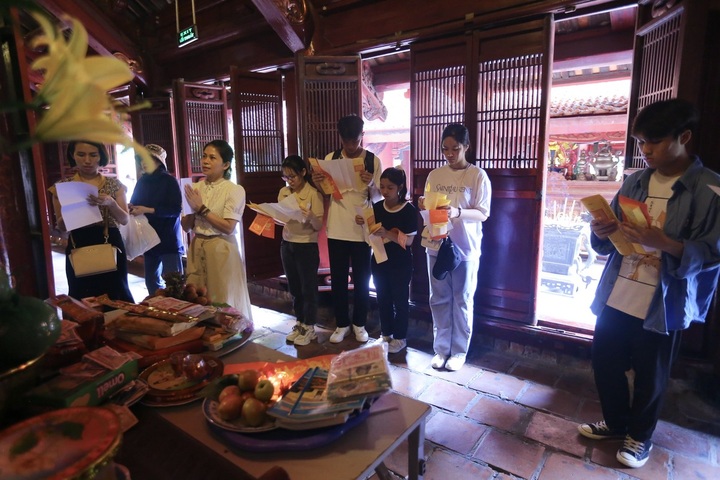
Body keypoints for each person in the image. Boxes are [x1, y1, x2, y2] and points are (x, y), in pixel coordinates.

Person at [577, 99, 720, 468]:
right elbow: (608, 239)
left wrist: (666, 244)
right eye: (641, 142)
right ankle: (616, 423)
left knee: (651, 374)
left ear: (683, 137)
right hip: (619, 289)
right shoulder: (635, 180)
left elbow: (713, 252)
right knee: (604, 361)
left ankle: (639, 437)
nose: (646, 151)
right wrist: (601, 230)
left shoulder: (709, 189)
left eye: (654, 141)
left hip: (664, 300)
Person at [418, 124, 491, 371]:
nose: (449, 153)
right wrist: (423, 204)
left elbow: (483, 213)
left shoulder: (477, 175)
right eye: (445, 149)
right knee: (438, 298)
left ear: (466, 146)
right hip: (437, 244)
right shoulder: (435, 175)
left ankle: (459, 352)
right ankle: (440, 350)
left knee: (462, 299)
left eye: (455, 149)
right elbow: (428, 207)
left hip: (465, 247)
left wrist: (458, 212)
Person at [311, 114, 382, 344]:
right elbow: (326, 193)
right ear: (340, 138)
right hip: (337, 227)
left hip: (361, 228)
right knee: (339, 278)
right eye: (347, 141)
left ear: (362, 136)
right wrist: (318, 179)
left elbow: (381, 196)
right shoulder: (331, 158)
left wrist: (371, 182)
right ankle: (342, 323)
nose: (352, 146)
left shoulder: (373, 160)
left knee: (362, 278)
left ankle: (359, 323)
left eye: (356, 141)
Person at [49, 141, 134, 302]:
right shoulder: (62, 187)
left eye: (93, 155)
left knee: (117, 292)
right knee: (81, 294)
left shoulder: (114, 185)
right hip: (79, 242)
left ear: (100, 157)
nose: (87, 160)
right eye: (81, 154)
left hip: (111, 243)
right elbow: (62, 228)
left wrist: (111, 203)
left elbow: (124, 219)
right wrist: (74, 208)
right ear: (73, 156)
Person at [181, 140, 253, 321]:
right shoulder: (194, 188)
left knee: (222, 296)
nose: (205, 161)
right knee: (196, 295)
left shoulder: (234, 190)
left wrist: (201, 209)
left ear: (226, 164)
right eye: (204, 156)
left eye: (212, 157)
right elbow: (186, 226)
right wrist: (189, 209)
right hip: (197, 246)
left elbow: (229, 227)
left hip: (221, 248)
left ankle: (229, 334)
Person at [355, 167, 417, 354]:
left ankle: (400, 337)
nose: (385, 191)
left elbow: (409, 241)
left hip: (400, 262)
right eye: (382, 187)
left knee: (400, 300)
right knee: (383, 298)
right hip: (380, 259)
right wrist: (363, 223)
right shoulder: (376, 207)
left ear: (400, 187)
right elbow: (371, 233)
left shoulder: (408, 210)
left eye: (390, 187)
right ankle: (386, 334)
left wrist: (388, 234)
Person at [278, 155, 324, 346]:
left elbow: (318, 225)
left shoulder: (314, 194)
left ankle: (310, 326)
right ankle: (299, 323)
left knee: (308, 288)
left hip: (306, 245)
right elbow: (281, 217)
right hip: (287, 243)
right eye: (286, 177)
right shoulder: (283, 192)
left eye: (293, 176)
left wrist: (311, 216)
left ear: (303, 173)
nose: (289, 181)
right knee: (295, 287)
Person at [129, 144, 184, 296]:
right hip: (148, 238)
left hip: (168, 239)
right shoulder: (142, 181)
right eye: (142, 159)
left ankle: (177, 314)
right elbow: (135, 202)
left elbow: (175, 210)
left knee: (174, 283)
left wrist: (148, 210)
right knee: (151, 281)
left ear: (159, 161)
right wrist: (131, 207)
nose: (143, 163)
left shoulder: (169, 181)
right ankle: (158, 310)